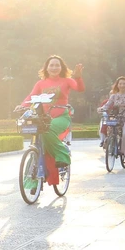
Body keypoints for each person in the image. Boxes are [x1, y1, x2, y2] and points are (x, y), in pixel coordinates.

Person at [16, 55, 85, 186]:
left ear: (61, 67)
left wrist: (78, 77)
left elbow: (80, 88)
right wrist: (22, 106)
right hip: (43, 117)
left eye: (57, 65)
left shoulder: (67, 80)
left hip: (61, 117)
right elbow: (31, 96)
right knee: (37, 145)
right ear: (46, 68)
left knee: (47, 129)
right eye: (51, 65)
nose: (54, 68)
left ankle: (62, 155)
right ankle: (33, 181)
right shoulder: (40, 83)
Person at [98, 76, 125, 161]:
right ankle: (111, 145)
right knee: (112, 132)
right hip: (116, 117)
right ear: (117, 85)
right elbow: (108, 105)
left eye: (124, 83)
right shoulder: (114, 96)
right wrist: (102, 108)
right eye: (120, 83)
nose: (122, 85)